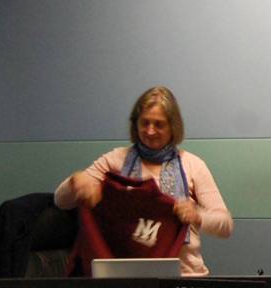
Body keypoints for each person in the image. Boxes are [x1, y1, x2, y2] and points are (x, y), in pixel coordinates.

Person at [54, 86, 233, 276]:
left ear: (173, 126)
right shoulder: (115, 160)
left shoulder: (193, 165)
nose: (150, 130)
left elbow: (225, 226)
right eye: (144, 123)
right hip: (124, 279)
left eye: (159, 124)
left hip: (185, 277)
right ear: (135, 124)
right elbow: (61, 201)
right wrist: (75, 181)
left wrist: (197, 216)